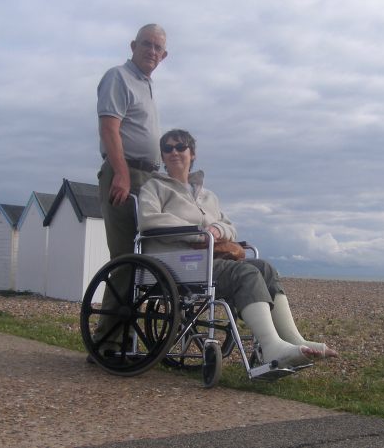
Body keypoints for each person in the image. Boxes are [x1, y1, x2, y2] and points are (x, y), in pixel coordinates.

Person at [138, 129, 338, 367]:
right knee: (246, 273)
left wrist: (216, 231)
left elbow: (229, 226)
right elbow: (148, 221)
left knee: (264, 268)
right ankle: (272, 346)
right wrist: (197, 232)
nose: (174, 152)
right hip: (175, 262)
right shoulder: (154, 187)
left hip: (209, 260)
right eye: (168, 148)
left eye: (180, 147)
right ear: (162, 155)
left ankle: (294, 340)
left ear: (192, 154)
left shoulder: (208, 196)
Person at [94, 24, 168, 350]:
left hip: (148, 178)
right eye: (146, 44)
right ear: (133, 45)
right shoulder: (119, 77)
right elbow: (110, 129)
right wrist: (121, 174)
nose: (151, 51)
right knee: (126, 260)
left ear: (163, 56)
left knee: (148, 262)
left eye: (157, 48)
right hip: (125, 175)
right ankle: (107, 345)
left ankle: (131, 339)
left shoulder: (147, 85)